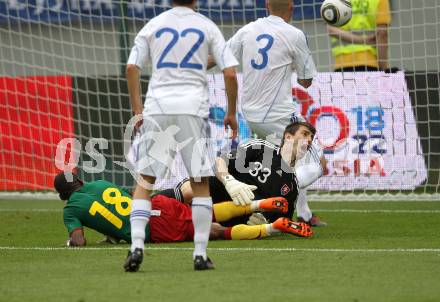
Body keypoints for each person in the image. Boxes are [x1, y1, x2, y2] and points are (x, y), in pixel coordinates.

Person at [125, 0, 239, 271]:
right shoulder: (206, 25)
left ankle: (136, 246)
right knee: (200, 183)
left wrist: (138, 110)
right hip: (192, 110)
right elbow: (231, 73)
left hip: (158, 109)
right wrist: (231, 112)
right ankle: (199, 254)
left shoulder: (153, 25)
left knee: (145, 181)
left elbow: (131, 68)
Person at [208, 0, 327, 226]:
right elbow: (306, 81)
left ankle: (305, 214)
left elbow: (219, 57)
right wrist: (292, 64)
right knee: (318, 163)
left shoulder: (248, 30)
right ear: (291, 8)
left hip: (251, 114)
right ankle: (267, 204)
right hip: (279, 115)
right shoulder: (295, 35)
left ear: (266, 6)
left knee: (287, 163)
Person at [53, 173, 312, 248]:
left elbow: (79, 240)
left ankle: (270, 227)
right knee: (207, 212)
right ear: (80, 182)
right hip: (158, 205)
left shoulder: (70, 210)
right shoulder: (99, 183)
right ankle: (258, 204)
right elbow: (125, 201)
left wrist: (71, 240)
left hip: (154, 227)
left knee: (215, 232)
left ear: (63, 195)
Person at [160, 121, 322, 227]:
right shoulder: (261, 148)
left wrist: (264, 223)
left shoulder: (292, 186)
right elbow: (219, 162)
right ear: (288, 136)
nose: (309, 141)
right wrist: (230, 181)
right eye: (305, 134)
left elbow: (281, 220)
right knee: (194, 186)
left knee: (217, 230)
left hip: (236, 215)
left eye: (311, 138)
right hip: (219, 189)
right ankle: (150, 205)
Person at [327, 0, 392, 72]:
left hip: (342, 64)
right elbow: (382, 34)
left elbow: (331, 29)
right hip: (369, 63)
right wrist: (384, 69)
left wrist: (362, 40)